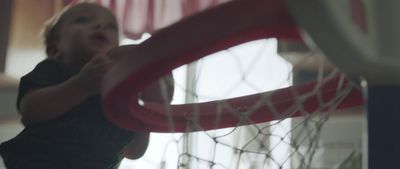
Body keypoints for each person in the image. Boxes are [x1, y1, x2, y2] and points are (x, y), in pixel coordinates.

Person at [0, 2, 173, 169]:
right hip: (40, 160)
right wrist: (81, 85)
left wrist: (150, 107)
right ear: (55, 50)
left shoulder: (121, 92)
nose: (100, 26)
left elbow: (133, 150)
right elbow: (30, 111)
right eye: (82, 20)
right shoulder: (54, 69)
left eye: (111, 26)